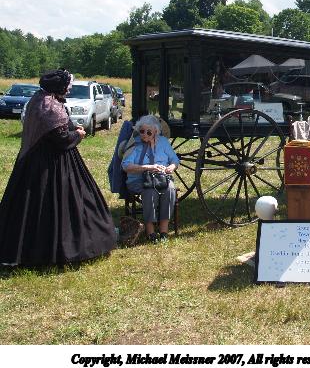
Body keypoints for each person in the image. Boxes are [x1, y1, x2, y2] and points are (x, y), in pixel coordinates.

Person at [0, 69, 116, 266]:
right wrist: (78, 134)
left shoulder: (39, 98)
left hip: (33, 160)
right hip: (51, 162)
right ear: (58, 87)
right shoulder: (50, 106)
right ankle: (58, 249)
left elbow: (59, 127)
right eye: (67, 86)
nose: (68, 89)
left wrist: (72, 128)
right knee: (58, 202)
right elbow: (61, 139)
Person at [122, 115, 180, 243]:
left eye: (148, 132)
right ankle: (150, 231)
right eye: (142, 131)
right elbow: (126, 166)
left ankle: (164, 231)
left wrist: (170, 167)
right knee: (150, 191)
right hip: (139, 179)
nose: (144, 135)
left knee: (169, 190)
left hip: (161, 178)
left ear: (155, 132)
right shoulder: (135, 144)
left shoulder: (163, 142)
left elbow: (174, 160)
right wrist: (147, 167)